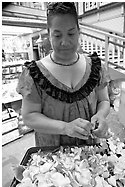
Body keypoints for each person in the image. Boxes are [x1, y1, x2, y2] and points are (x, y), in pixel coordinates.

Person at [16, 2, 110, 147]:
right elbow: (29, 116)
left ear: (79, 31)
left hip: (90, 150)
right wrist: (65, 128)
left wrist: (100, 115)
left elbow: (103, 100)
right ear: (49, 34)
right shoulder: (34, 74)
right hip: (52, 155)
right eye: (57, 35)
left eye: (71, 33)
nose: (65, 42)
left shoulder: (96, 68)